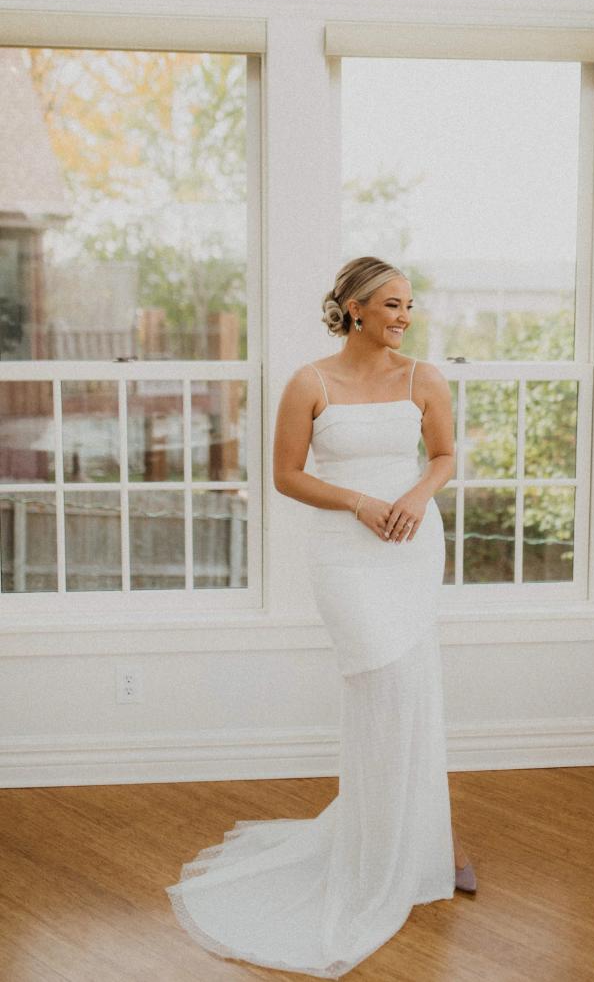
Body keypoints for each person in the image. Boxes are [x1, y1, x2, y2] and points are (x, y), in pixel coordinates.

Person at [165, 255, 476, 978]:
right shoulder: (310, 380)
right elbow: (286, 474)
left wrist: (416, 496)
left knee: (414, 687)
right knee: (381, 686)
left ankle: (425, 843)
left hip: (409, 547)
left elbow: (445, 454)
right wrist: (361, 502)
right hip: (345, 554)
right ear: (355, 308)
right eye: (392, 304)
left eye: (409, 305)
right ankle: (378, 849)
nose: (405, 316)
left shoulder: (422, 377)